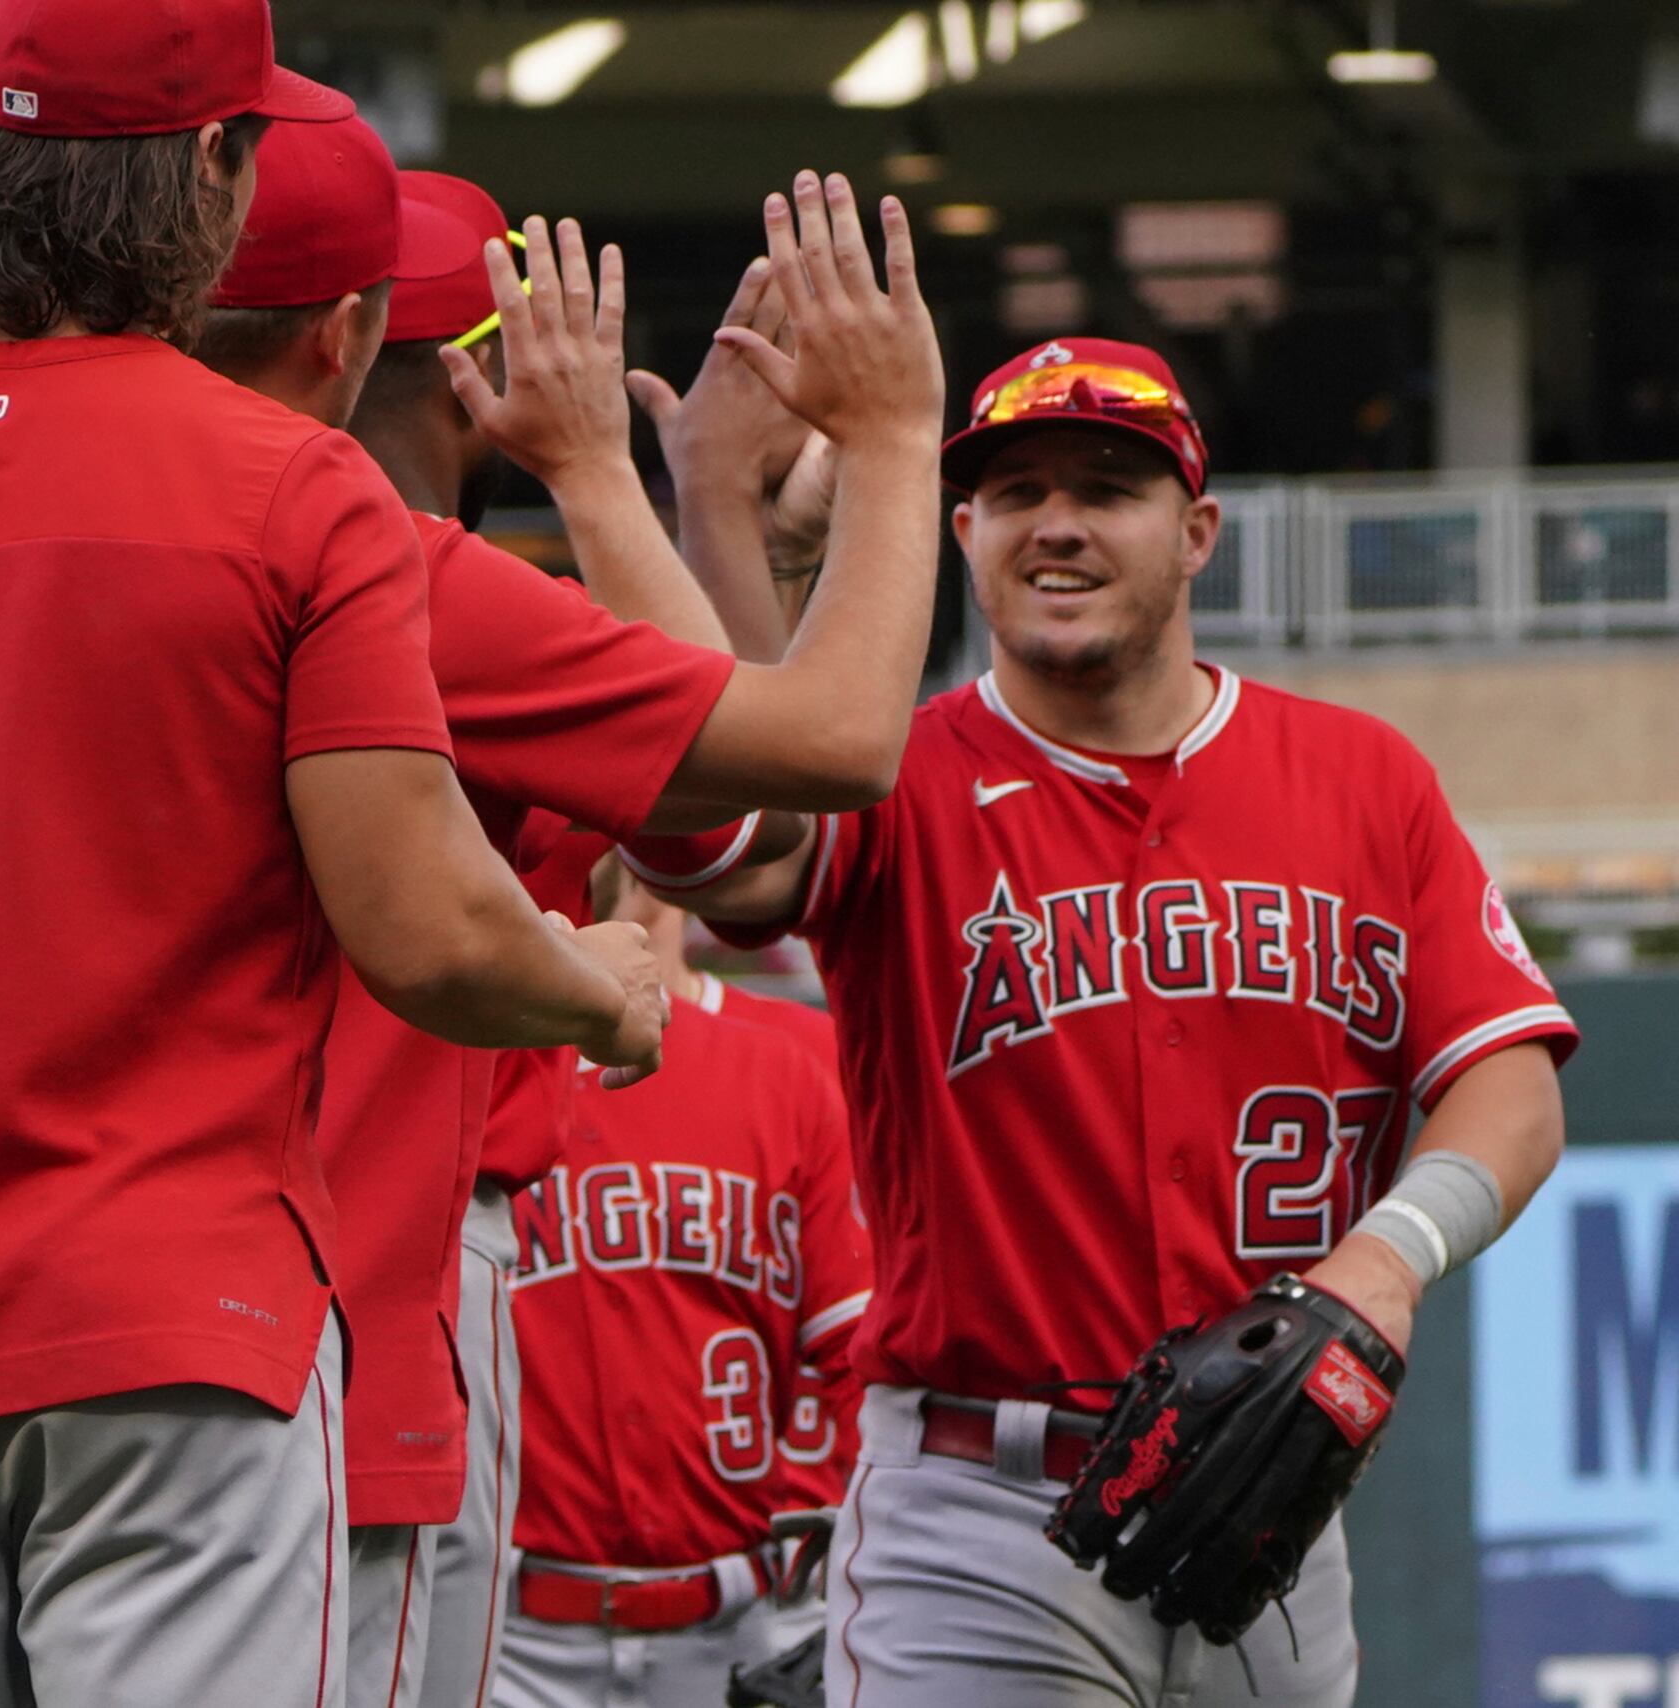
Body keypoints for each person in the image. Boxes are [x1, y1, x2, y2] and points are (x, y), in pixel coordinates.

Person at [0, 0, 690, 1696]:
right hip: (176, 1337)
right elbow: (423, 931)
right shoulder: (295, 489)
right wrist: (604, 995)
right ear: (205, 166)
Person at [668, 335, 1582, 1707]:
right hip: (983, 1509)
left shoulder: (1360, 779)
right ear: (961, 531)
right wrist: (734, 529)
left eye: (1108, 485)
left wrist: (1388, 1258)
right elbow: (724, 842)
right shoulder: (895, 778)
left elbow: (1509, 1080)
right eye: (1018, 491)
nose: (1060, 524)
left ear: (1198, 530)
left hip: (1270, 1510)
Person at [302, 165, 939, 1708]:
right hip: (375, 1287)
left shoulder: (163, 545)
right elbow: (776, 799)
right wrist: (621, 472)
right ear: (472, 378)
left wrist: (709, 509)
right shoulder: (423, 585)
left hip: (107, 1299)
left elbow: (718, 829)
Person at [496, 865, 869, 1708]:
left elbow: (852, 1349)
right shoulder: (480, 1075)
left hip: (747, 1611)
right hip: (513, 1621)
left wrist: (827, 1552)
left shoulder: (791, 1065)